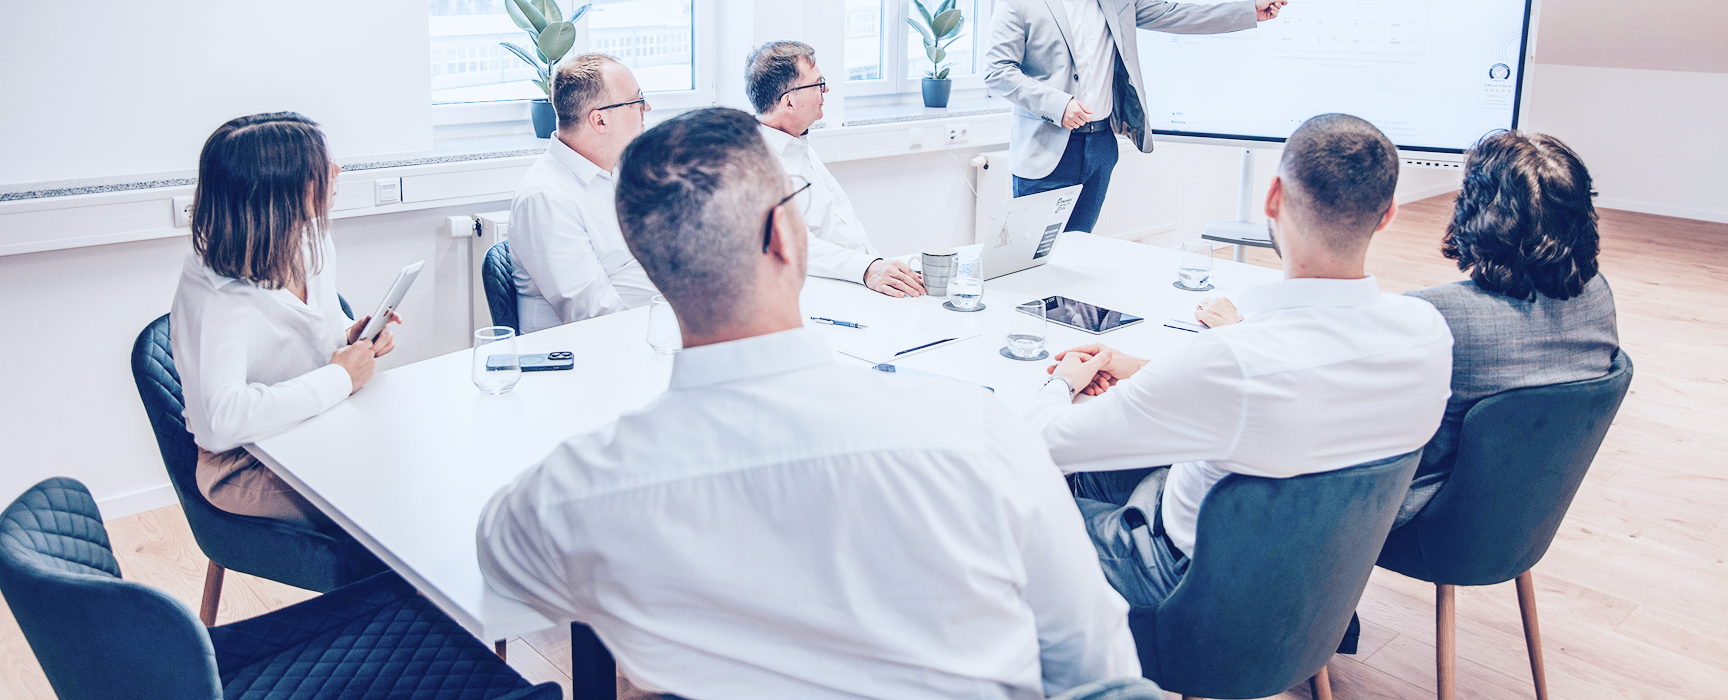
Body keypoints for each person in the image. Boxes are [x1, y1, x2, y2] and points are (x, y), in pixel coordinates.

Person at [477, 108, 1137, 700]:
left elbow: (499, 552)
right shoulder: (975, 435)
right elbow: (1096, 669)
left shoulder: (574, 494)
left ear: (651, 268)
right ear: (786, 239)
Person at [1026, 114, 1454, 607]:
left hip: (1188, 587)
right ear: (1388, 214)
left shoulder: (1233, 362)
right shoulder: (1427, 333)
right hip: (1318, 584)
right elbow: (1289, 378)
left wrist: (1059, 383)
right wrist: (1138, 367)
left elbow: (1038, 443)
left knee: (1009, 500)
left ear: (1272, 198)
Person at [172, 112, 400, 528]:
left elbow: (316, 338)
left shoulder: (310, 241)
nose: (337, 171)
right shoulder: (216, 296)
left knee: (414, 451)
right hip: (243, 463)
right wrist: (340, 376)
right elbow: (223, 422)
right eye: (321, 168)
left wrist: (353, 338)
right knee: (386, 487)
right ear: (281, 191)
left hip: (315, 426)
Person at [1393, 131, 1619, 526]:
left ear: (1476, 210)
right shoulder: (1598, 296)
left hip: (1432, 519)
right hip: (1527, 515)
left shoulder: (1438, 314)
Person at [985, 0, 1288, 233]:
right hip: (1046, 149)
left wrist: (1248, 9)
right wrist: (1057, 105)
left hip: (1100, 147)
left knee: (1077, 253)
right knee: (1030, 261)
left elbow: (1177, 12)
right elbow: (997, 71)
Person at [746, 41, 926, 298]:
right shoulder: (756, 162)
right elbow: (793, 244)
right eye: (818, 84)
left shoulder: (795, 139)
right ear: (789, 103)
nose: (826, 89)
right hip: (830, 291)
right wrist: (868, 269)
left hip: (863, 277)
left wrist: (875, 265)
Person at [508, 53, 659, 333]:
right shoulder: (545, 197)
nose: (646, 108)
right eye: (637, 101)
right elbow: (591, 315)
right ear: (599, 121)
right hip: (594, 354)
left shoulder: (616, 174)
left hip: (649, 336)